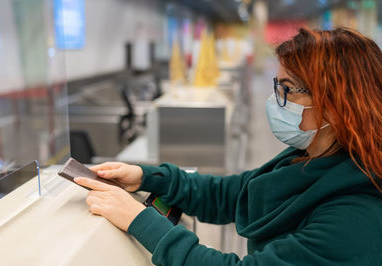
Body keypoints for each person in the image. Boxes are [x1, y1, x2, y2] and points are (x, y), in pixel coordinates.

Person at [74, 27, 382, 265]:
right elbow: (233, 194)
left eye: (287, 90)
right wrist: (147, 177)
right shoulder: (311, 157)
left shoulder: (356, 217)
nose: (276, 101)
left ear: (335, 105)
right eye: (277, 87)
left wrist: (142, 222)